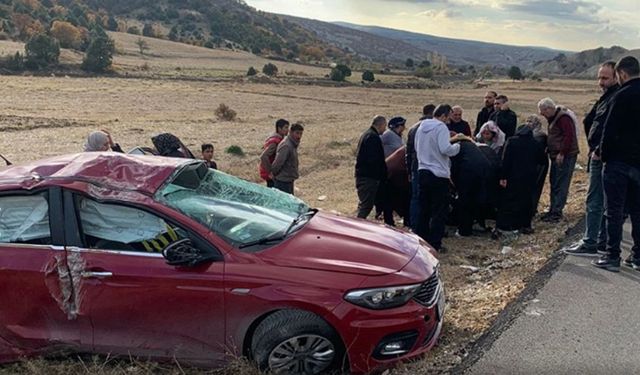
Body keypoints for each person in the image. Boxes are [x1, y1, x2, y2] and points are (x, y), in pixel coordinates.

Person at [592, 56, 640, 272]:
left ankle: (612, 256)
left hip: (618, 162)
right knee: (637, 211)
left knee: (614, 210)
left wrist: (603, 153)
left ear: (621, 74)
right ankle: (637, 256)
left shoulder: (621, 96)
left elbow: (609, 131)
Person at [566, 61, 618, 256]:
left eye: (605, 78)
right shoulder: (607, 97)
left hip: (602, 157)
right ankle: (600, 240)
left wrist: (598, 149)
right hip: (598, 153)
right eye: (599, 77)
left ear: (616, 77)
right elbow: (591, 121)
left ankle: (591, 242)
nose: (600, 82)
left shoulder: (616, 98)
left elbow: (609, 128)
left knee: (596, 200)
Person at [415, 104, 462, 251]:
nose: (449, 120)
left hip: (422, 170)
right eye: (449, 116)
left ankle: (421, 239)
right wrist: (458, 145)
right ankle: (435, 243)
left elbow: (417, 147)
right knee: (438, 211)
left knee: (424, 209)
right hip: (438, 174)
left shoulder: (421, 127)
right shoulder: (441, 127)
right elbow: (445, 149)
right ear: (443, 115)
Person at [495, 124, 547, 236]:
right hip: (529, 177)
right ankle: (525, 225)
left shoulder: (512, 141)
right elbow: (542, 160)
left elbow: (506, 160)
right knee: (526, 200)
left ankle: (509, 225)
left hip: (513, 176)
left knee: (511, 200)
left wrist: (503, 176)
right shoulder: (535, 143)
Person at [538, 97, 580, 223]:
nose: (542, 114)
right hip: (556, 155)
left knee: (561, 183)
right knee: (554, 182)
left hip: (565, 156)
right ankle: (552, 210)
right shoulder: (554, 118)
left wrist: (562, 153)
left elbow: (569, 136)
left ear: (549, 108)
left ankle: (556, 213)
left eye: (543, 111)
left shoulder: (563, 118)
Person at [450, 136, 490, 236]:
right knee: (477, 199)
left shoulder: (457, 147)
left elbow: (454, 168)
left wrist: (454, 185)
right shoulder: (471, 146)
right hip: (484, 171)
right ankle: (479, 223)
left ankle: (464, 231)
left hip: (468, 172)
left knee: (464, 201)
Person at [406, 105, 435, 231]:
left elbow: (408, 151)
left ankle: (414, 225)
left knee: (415, 197)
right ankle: (426, 226)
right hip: (429, 165)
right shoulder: (434, 127)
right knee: (429, 197)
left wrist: (409, 170)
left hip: (415, 165)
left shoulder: (413, 128)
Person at [355, 116, 387, 219]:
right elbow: (374, 160)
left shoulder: (367, 134)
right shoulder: (372, 137)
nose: (385, 129)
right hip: (368, 177)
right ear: (381, 125)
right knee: (366, 206)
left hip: (364, 175)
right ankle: (357, 226)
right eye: (384, 126)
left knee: (364, 204)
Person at [378, 116, 407, 226]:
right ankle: (388, 220)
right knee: (389, 197)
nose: (404, 128)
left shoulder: (398, 136)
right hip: (389, 170)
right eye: (403, 125)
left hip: (397, 171)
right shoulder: (388, 135)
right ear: (398, 126)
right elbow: (377, 142)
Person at [524, 115, 550, 216]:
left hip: (539, 164)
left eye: (531, 121)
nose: (528, 123)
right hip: (530, 164)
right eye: (527, 121)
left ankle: (532, 209)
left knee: (536, 187)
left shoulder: (540, 135)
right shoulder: (529, 134)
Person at [271, 123, 303, 195]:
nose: (299, 136)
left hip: (288, 180)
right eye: (297, 133)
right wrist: (275, 175)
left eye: (301, 134)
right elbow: (277, 164)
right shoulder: (286, 146)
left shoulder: (292, 144)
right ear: (291, 132)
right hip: (282, 182)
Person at [259, 119, 290, 188]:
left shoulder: (279, 139)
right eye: (286, 127)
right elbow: (263, 157)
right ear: (279, 128)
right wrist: (270, 173)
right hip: (272, 175)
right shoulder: (275, 142)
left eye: (288, 127)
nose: (288, 130)